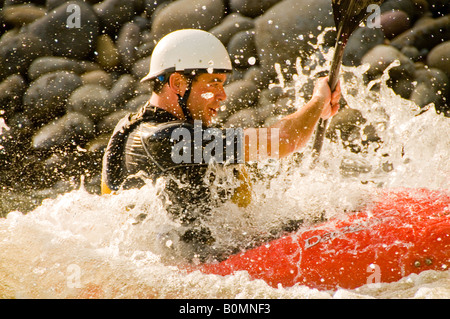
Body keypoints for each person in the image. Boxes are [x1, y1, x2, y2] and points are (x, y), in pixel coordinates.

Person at [101, 29, 341, 261]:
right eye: (214, 83)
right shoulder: (166, 140)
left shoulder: (136, 128)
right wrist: (318, 101)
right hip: (194, 269)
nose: (223, 95)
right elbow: (285, 140)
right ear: (177, 84)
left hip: (190, 259)